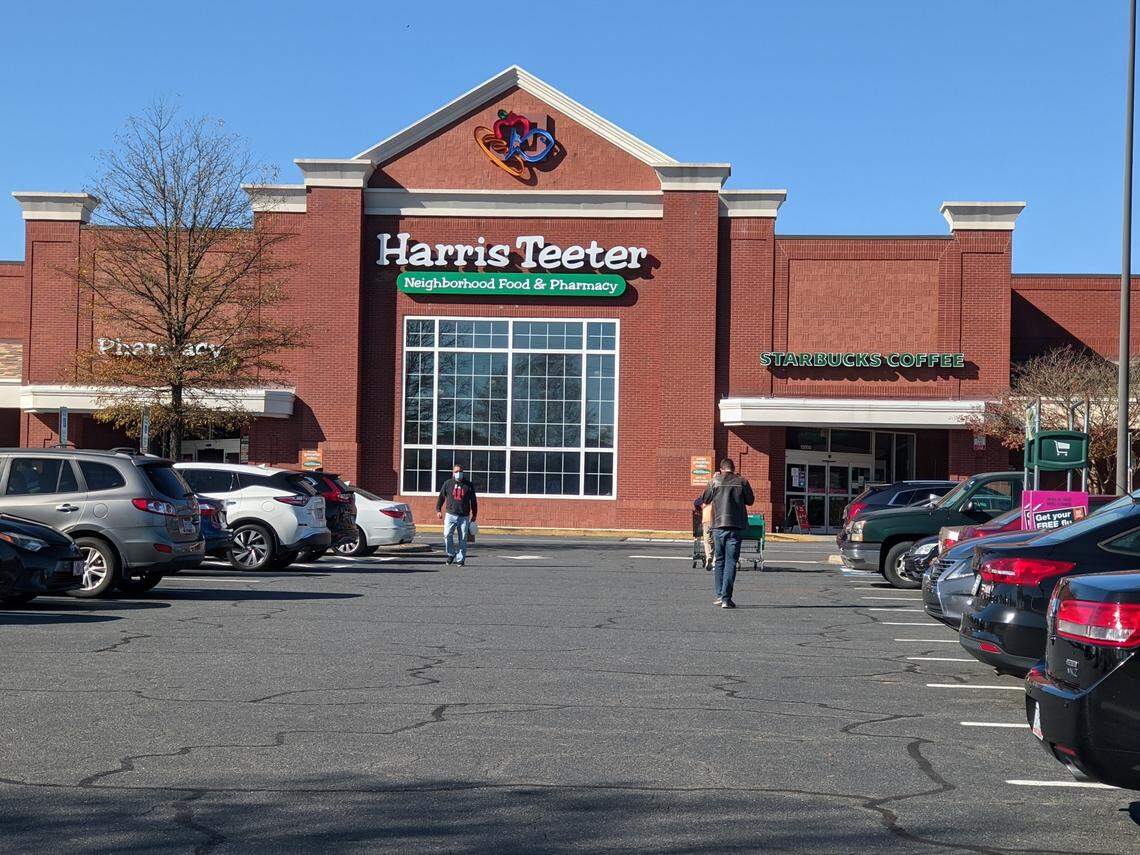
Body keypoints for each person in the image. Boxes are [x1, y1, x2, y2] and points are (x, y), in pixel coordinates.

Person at [699, 458, 754, 609]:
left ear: (721, 469)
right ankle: (726, 598)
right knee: (731, 562)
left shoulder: (714, 481)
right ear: (733, 468)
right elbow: (750, 501)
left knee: (719, 561)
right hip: (736, 526)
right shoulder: (742, 481)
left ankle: (719, 595)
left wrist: (712, 480)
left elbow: (705, 499)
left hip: (718, 526)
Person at [436, 464, 478, 567]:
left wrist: (474, 514)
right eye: (456, 471)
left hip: (464, 516)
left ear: (463, 472)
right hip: (450, 514)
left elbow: (473, 501)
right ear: (453, 473)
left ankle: (460, 559)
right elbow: (441, 497)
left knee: (463, 538)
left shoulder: (468, 485)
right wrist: (438, 510)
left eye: (460, 471)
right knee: (447, 535)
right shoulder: (448, 483)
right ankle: (451, 554)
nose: (458, 473)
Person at [692, 487, 716, 571]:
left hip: (706, 520)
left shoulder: (704, 500)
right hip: (716, 520)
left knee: (707, 541)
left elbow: (696, 502)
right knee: (715, 541)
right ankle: (714, 561)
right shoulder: (718, 498)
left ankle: (708, 557)